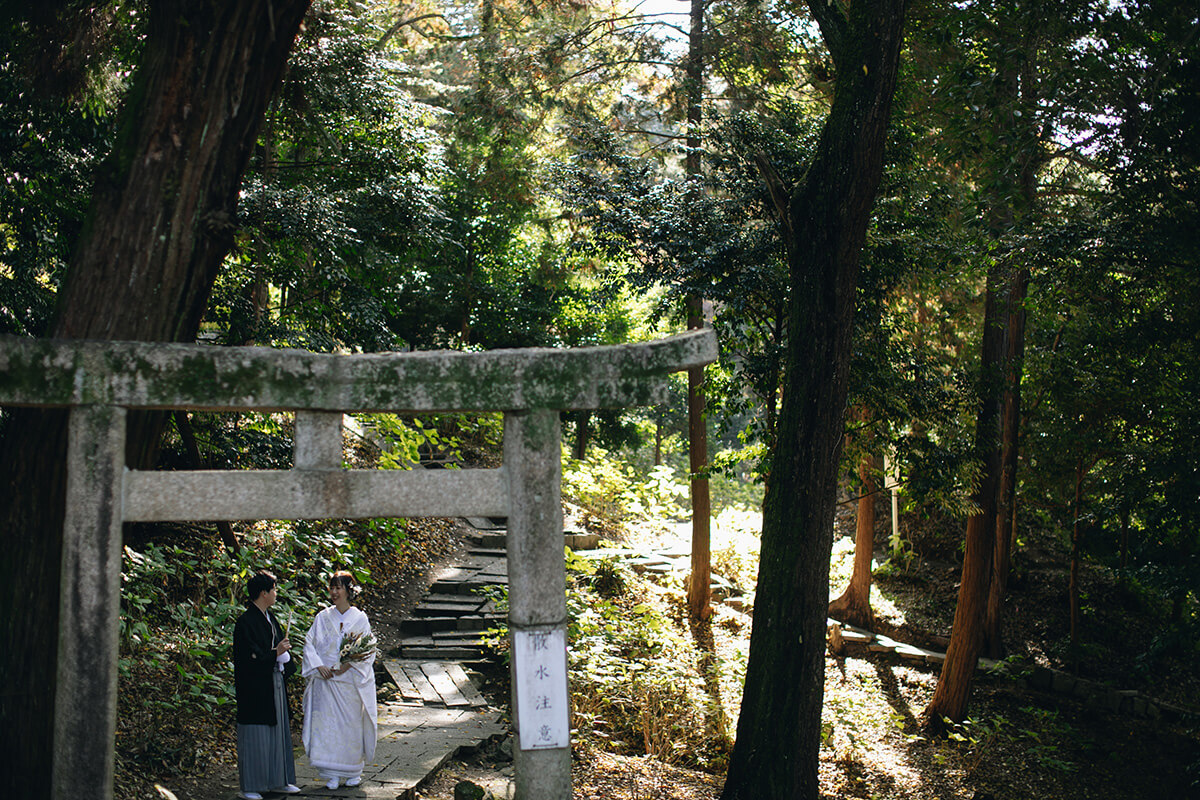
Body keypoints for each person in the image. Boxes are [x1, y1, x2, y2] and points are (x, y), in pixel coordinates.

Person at [302, 570, 378, 789]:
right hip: (327, 680)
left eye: (338, 588)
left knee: (350, 726)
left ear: (348, 591)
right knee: (328, 727)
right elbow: (310, 643)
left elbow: (367, 649)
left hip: (349, 682)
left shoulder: (360, 618)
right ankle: (331, 773)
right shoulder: (323, 617)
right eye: (332, 587)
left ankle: (353, 770)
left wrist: (349, 664)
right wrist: (318, 665)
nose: (334, 592)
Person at [232, 570, 301, 800]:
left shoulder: (271, 618)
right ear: (263, 593)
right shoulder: (245, 622)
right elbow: (248, 659)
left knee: (278, 731)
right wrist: (275, 653)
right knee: (256, 734)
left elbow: (277, 649)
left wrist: (283, 656)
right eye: (274, 589)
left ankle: (279, 781)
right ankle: (250, 786)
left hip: (274, 682)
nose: (276, 593)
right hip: (255, 688)